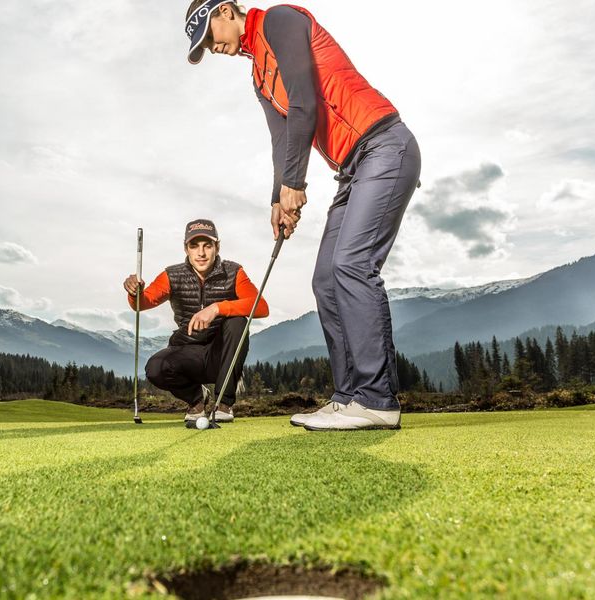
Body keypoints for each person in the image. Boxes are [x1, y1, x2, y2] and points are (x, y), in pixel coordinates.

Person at [184, 1, 422, 430]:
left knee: (352, 265)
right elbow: (282, 139)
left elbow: (304, 101)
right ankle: (349, 396)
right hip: (352, 168)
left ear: (225, 10)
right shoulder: (258, 76)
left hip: (385, 145)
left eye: (209, 36)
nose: (212, 47)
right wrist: (279, 199)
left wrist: (297, 183)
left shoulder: (280, 20)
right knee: (326, 279)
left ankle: (377, 399)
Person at [124, 219, 269, 423]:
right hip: (187, 352)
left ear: (217, 247)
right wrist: (134, 291)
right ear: (186, 249)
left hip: (221, 356)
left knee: (238, 322)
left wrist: (217, 308)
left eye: (207, 245)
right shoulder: (172, 275)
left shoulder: (234, 272)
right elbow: (141, 303)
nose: (201, 253)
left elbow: (261, 307)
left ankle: (223, 404)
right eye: (194, 246)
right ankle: (197, 400)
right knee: (156, 368)